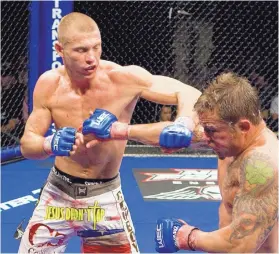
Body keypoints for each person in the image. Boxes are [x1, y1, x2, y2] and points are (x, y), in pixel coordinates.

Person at [18, 12, 201, 253]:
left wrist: (183, 122)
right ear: (59, 49)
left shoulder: (122, 78)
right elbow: (27, 144)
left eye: (96, 47)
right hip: (57, 195)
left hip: (103, 197)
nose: (91, 58)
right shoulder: (49, 84)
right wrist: (48, 144)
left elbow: (188, 92)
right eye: (81, 50)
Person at [151, 72, 278, 253]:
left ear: (243, 127)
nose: (206, 138)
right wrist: (119, 131)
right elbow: (168, 135)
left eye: (211, 131)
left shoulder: (261, 164)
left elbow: (241, 244)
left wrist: (186, 237)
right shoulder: (233, 139)